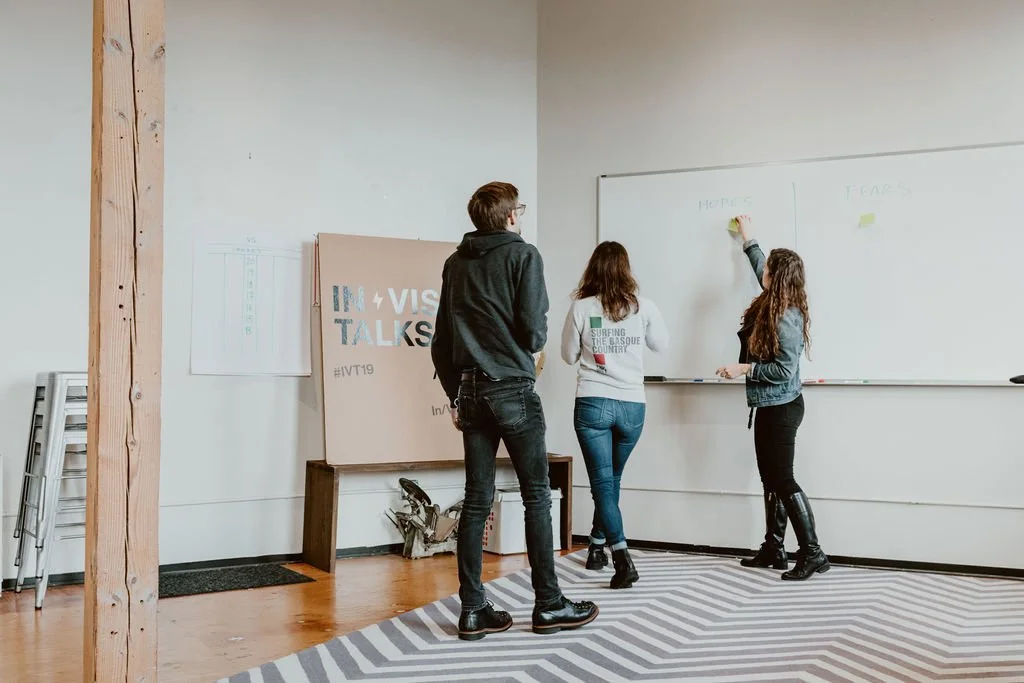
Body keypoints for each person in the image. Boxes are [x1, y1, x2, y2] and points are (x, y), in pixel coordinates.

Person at [431, 181, 599, 640]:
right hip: (512, 390)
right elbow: (533, 335)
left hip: (469, 392)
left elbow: (441, 342)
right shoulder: (524, 256)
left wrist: (454, 394)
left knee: (476, 499)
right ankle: (548, 604)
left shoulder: (454, 263)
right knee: (536, 496)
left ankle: (472, 610)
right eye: (519, 210)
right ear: (508, 216)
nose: (520, 217)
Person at [715, 215, 830, 581]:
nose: (763, 271)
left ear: (777, 278)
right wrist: (748, 238)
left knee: (782, 478)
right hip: (769, 405)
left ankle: (813, 552)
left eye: (770, 269)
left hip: (782, 407)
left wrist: (743, 369)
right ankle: (774, 548)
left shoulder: (785, 318)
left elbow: (783, 370)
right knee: (770, 478)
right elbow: (760, 263)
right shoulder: (773, 301)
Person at [560, 241, 669, 589]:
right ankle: (595, 546)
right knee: (609, 482)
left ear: (593, 269)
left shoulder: (581, 308)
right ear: (626, 269)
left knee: (603, 484)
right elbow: (660, 344)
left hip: (593, 402)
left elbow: (567, 355)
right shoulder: (644, 307)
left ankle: (621, 557)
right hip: (633, 406)